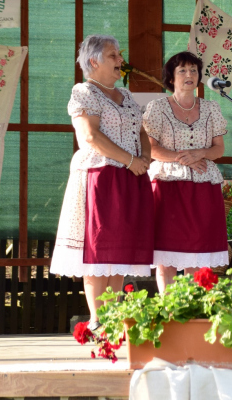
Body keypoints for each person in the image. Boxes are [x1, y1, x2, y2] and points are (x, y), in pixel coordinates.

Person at [50, 35, 154, 330]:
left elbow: (142, 131)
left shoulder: (127, 95)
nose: (121, 60)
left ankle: (113, 316)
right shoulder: (83, 92)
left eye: (119, 55)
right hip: (100, 176)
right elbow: (91, 137)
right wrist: (129, 160)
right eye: (113, 55)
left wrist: (143, 158)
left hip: (130, 175)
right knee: (98, 247)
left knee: (121, 248)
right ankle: (98, 321)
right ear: (93, 61)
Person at [142, 52, 229, 293]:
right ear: (171, 78)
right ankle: (169, 312)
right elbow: (151, 147)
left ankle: (191, 311)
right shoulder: (157, 107)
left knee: (198, 255)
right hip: (167, 185)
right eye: (182, 70)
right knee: (165, 255)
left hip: (203, 187)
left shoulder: (211, 107)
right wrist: (186, 158)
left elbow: (218, 149)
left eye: (193, 70)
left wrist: (199, 153)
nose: (189, 75)